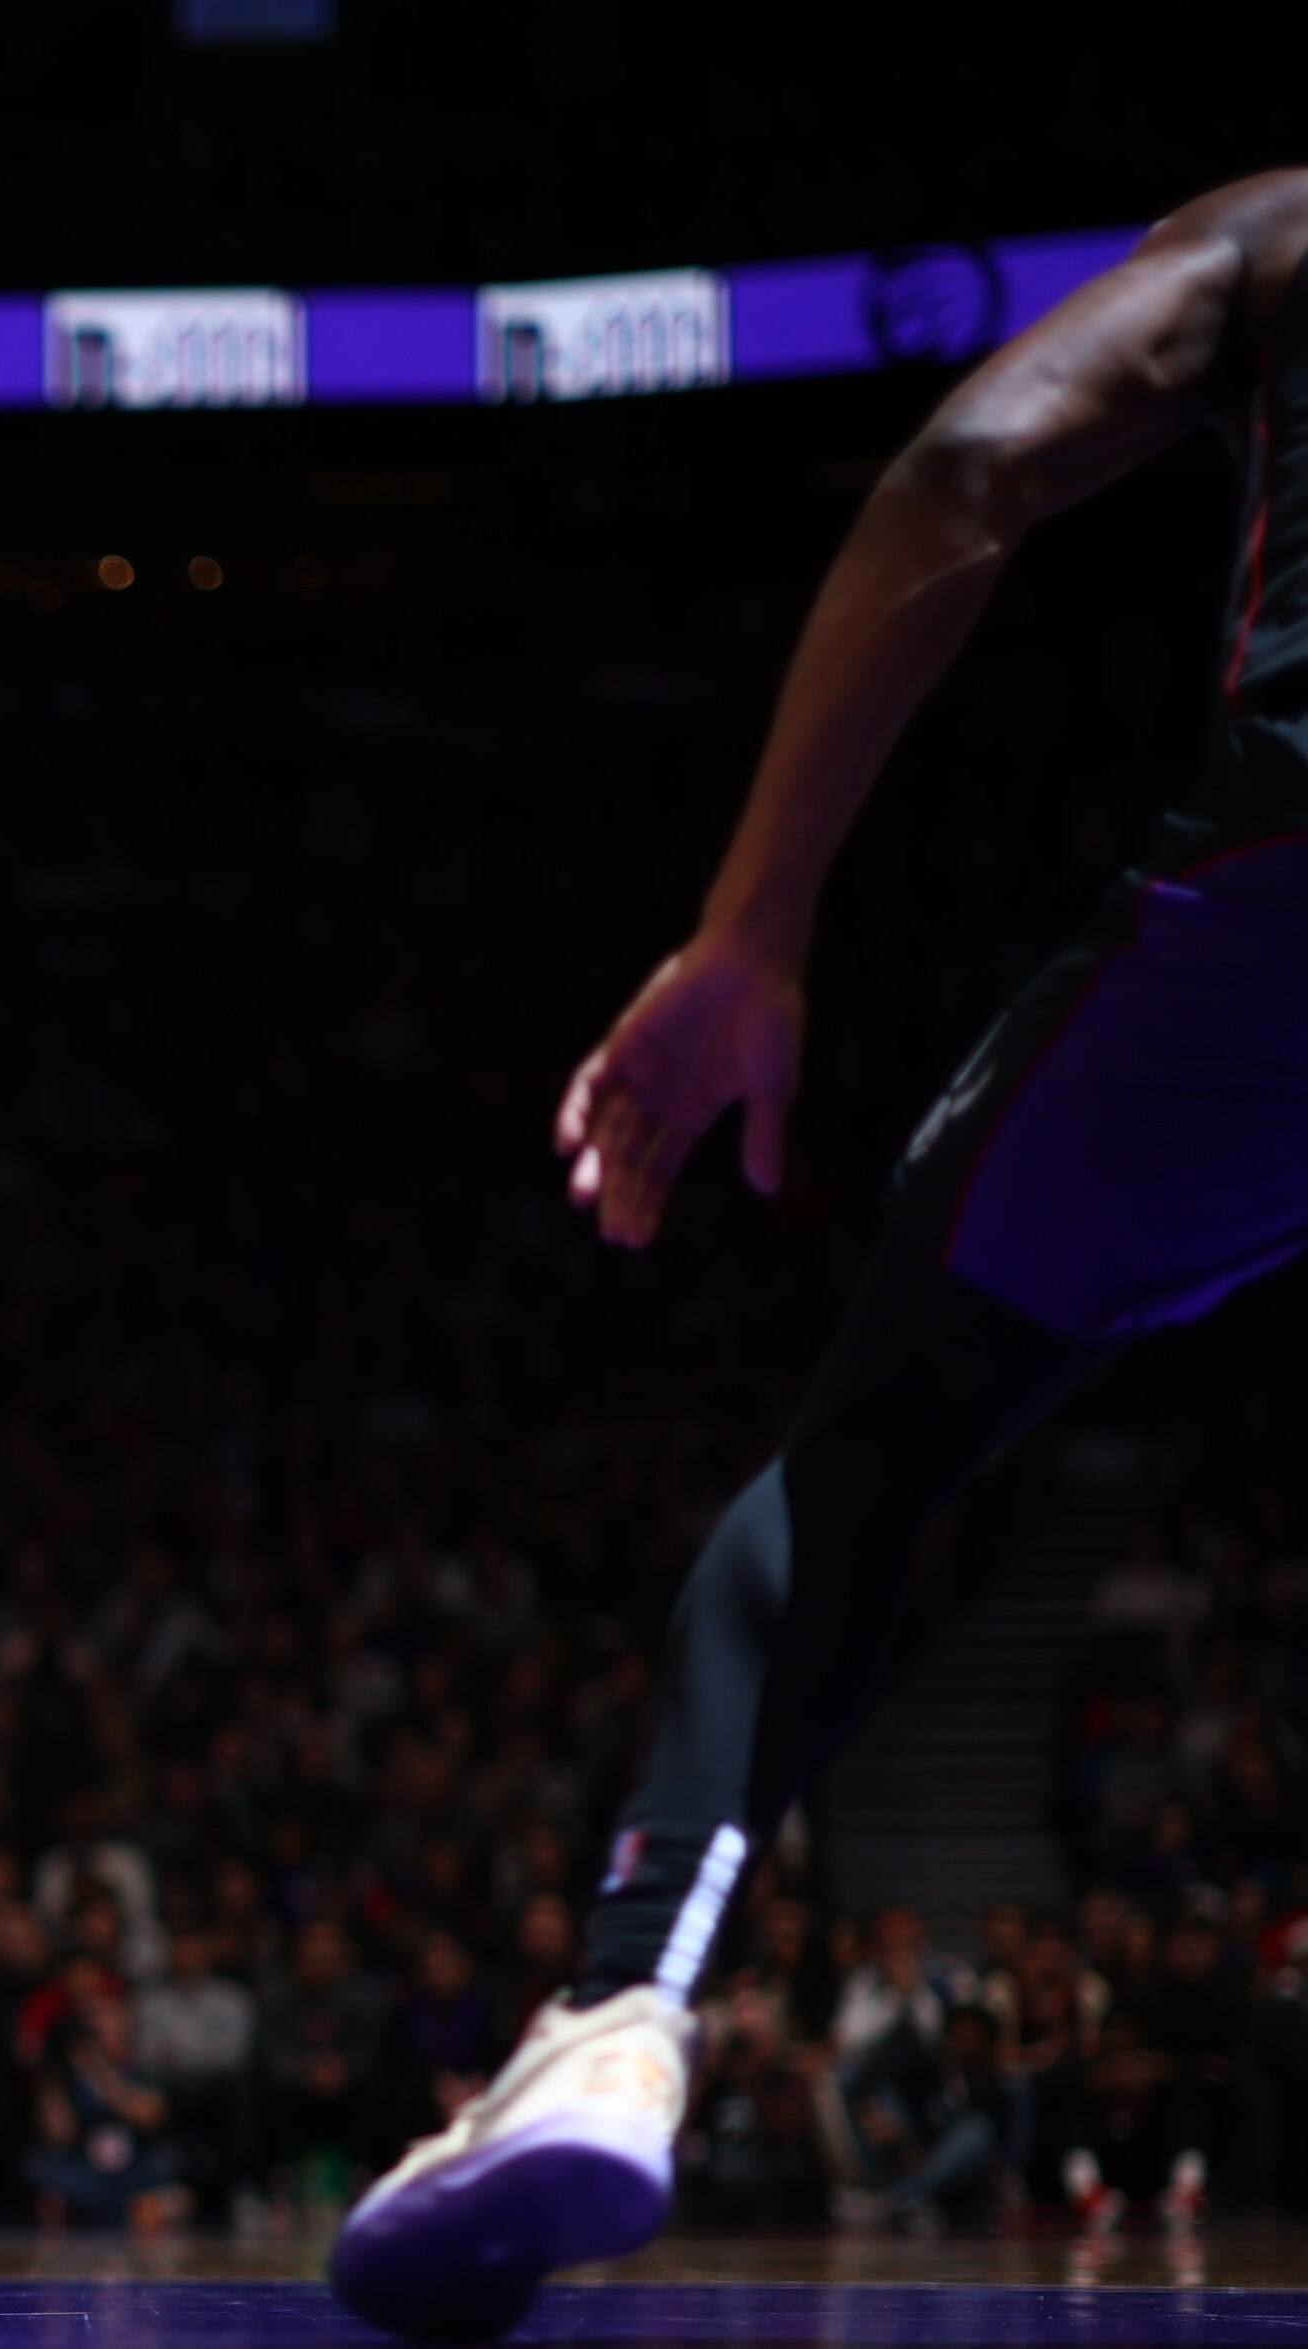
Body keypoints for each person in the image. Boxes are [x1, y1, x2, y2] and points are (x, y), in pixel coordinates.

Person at [335, 169, 1308, 2337]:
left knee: (869, 1461)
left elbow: (971, 463)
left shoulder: (1276, 233)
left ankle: (620, 2008)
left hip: (1282, 927)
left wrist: (754, 921)